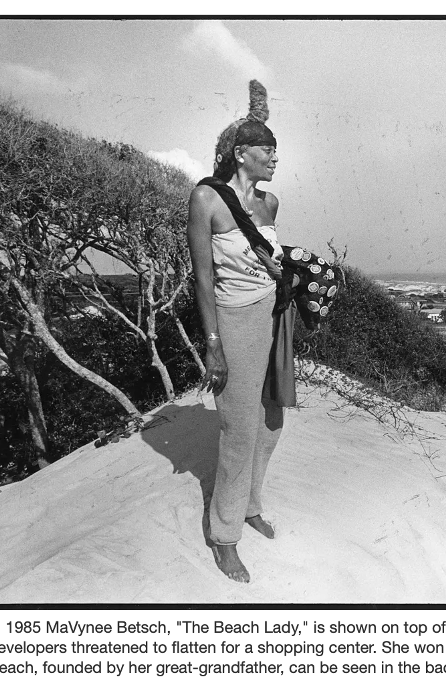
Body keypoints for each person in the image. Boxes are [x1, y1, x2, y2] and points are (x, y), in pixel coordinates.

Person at [186, 80, 286, 583]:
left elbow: (270, 263)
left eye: (275, 150)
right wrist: (213, 344)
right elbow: (203, 279)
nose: (274, 157)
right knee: (238, 430)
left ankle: (249, 505)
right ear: (240, 153)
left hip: (274, 319)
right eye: (266, 150)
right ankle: (225, 536)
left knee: (270, 423)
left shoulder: (269, 205)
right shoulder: (206, 198)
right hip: (235, 322)